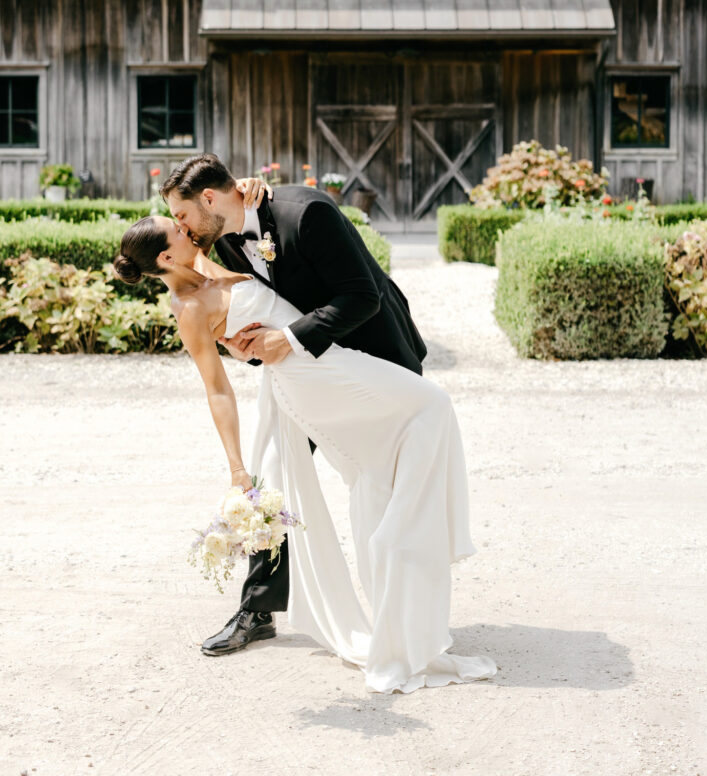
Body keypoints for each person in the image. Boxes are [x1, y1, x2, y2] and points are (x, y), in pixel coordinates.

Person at [113, 211, 496, 693]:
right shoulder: (188, 306)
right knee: (429, 407)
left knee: (377, 473)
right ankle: (387, 557)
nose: (187, 227)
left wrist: (251, 190)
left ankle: (398, 585)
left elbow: (232, 225)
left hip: (319, 359)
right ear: (167, 256)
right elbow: (217, 390)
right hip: (306, 378)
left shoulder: (207, 255)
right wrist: (237, 471)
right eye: (178, 230)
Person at [159, 154, 426, 656]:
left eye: (182, 215)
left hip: (373, 359)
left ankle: (407, 611)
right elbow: (267, 304)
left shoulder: (306, 214)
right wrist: (252, 346)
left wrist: (290, 339)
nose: (182, 227)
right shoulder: (228, 237)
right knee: (271, 476)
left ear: (210, 199)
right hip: (302, 371)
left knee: (382, 488)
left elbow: (362, 296)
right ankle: (258, 610)